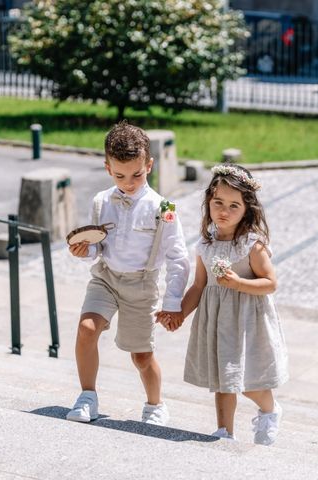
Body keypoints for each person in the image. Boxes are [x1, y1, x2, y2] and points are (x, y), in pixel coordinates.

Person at [66, 122, 190, 426]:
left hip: (142, 285)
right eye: (120, 175)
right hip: (106, 278)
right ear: (108, 167)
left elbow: (178, 257)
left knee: (141, 356)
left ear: (149, 164)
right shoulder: (101, 201)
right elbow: (100, 246)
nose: (129, 182)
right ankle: (87, 397)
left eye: (137, 174)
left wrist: (174, 302)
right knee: (86, 329)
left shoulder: (164, 207)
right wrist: (86, 251)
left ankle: (155, 405)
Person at [157, 164, 288, 445]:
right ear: (208, 202)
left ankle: (269, 409)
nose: (224, 211)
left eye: (233, 206)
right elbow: (198, 286)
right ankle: (224, 431)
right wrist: (179, 313)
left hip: (246, 322)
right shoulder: (206, 245)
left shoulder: (252, 246)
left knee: (248, 382)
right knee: (223, 377)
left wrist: (239, 283)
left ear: (246, 209)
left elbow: (270, 283)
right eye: (218, 203)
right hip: (217, 320)